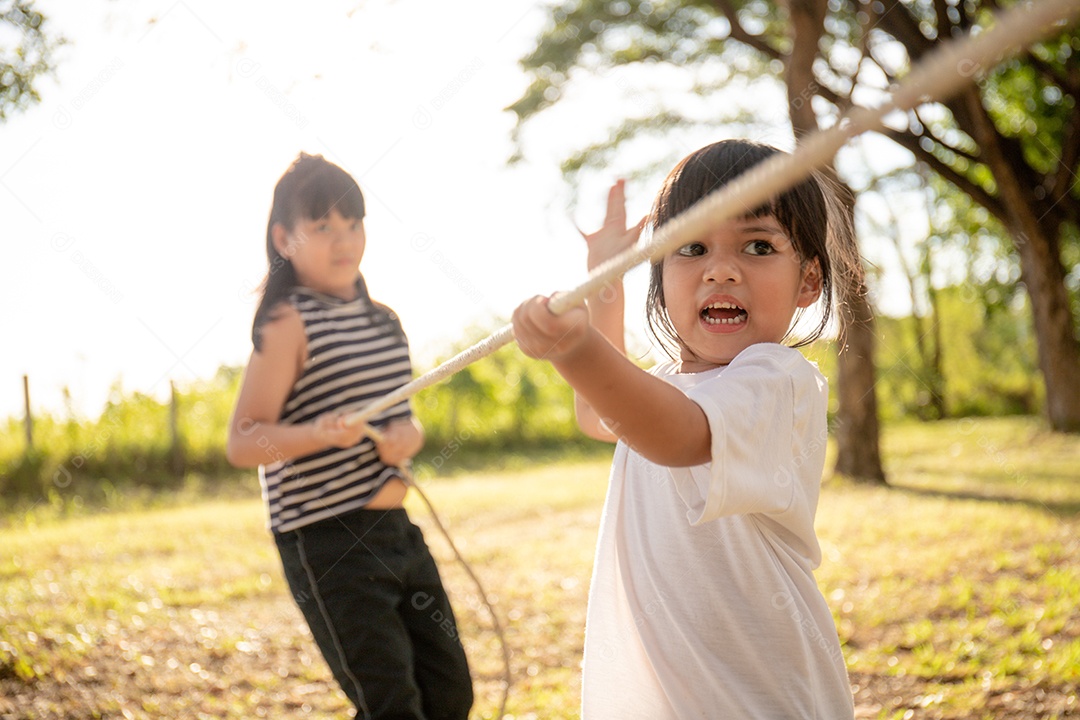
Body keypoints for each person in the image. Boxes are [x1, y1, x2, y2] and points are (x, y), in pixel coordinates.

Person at [511, 139, 858, 718]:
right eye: (691, 247)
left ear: (808, 280)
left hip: (761, 697)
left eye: (757, 245)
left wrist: (575, 349)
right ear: (660, 278)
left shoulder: (776, 380)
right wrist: (604, 280)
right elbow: (603, 416)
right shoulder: (669, 386)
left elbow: (678, 437)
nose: (721, 269)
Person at [226, 153, 473, 720]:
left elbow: (405, 421)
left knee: (451, 695)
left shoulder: (385, 321)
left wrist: (407, 438)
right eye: (322, 228)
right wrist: (316, 433)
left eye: (353, 224)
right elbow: (243, 442)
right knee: (390, 706)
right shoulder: (289, 321)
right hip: (328, 542)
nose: (344, 241)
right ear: (284, 238)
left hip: (396, 530)